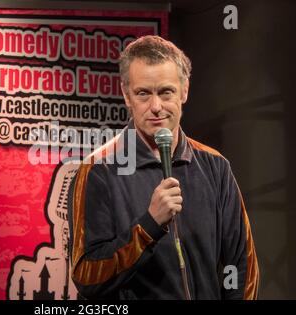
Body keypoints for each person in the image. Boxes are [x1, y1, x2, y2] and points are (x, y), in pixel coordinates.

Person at [67, 35, 259, 300]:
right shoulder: (98, 171)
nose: (156, 107)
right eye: (143, 93)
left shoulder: (216, 167)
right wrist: (148, 226)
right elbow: (86, 276)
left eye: (165, 92)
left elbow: (242, 268)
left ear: (184, 90)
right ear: (126, 95)